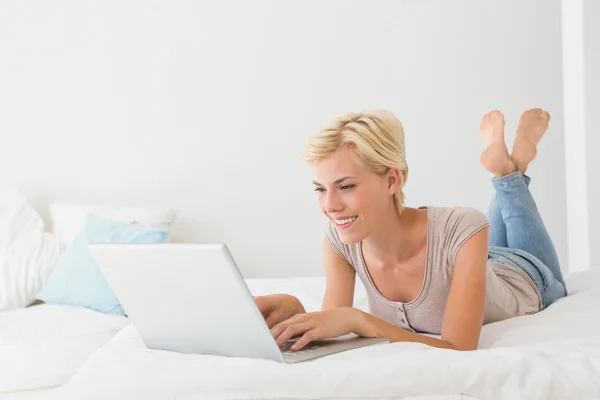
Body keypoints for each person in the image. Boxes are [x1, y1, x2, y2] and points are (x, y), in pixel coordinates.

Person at [254, 108, 567, 352]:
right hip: (477, 263)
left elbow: (457, 348)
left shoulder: (464, 226)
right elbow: (334, 323)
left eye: (345, 186)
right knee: (496, 207)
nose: (330, 206)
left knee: (510, 231)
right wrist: (296, 311)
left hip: (527, 276)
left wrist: (362, 319)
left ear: (392, 181)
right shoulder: (339, 242)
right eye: (320, 189)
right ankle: (511, 167)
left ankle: (509, 173)